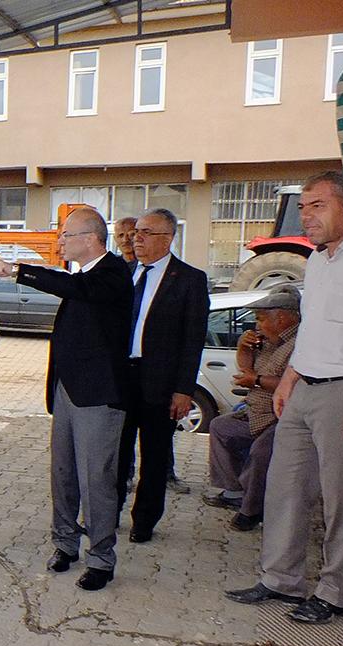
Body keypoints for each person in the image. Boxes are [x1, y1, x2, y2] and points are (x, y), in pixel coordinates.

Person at [226, 171, 343, 624]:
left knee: (342, 498)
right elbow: (309, 328)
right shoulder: (317, 261)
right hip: (305, 388)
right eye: (304, 206)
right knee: (285, 487)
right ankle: (281, 580)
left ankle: (335, 593)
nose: (306, 216)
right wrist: (290, 377)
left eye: (317, 206)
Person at [0, 208, 131, 590]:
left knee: (95, 479)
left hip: (98, 395)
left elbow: (74, 289)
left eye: (66, 235)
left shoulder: (112, 274)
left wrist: (19, 270)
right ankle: (65, 543)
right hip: (67, 390)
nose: (61, 241)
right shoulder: (83, 275)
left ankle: (101, 558)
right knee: (63, 473)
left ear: (91, 238)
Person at [115, 208, 209, 543]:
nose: (135, 238)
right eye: (135, 231)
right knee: (116, 452)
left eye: (145, 233)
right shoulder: (123, 274)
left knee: (153, 456)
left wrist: (183, 389)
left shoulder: (189, 280)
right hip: (121, 379)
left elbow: (193, 339)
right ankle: (108, 514)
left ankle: (144, 521)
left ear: (168, 238)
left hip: (160, 382)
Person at [202, 287, 299, 531]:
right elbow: (246, 372)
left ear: (283, 318)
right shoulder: (267, 340)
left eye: (261, 318)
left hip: (282, 417)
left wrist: (256, 381)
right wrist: (243, 349)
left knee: (261, 452)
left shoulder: (300, 344)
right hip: (255, 411)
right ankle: (235, 492)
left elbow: (291, 384)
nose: (257, 325)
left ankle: (252, 510)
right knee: (221, 427)